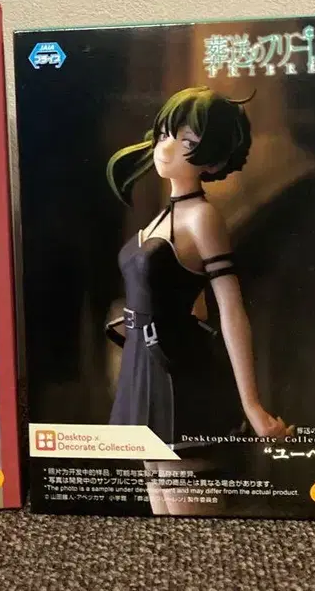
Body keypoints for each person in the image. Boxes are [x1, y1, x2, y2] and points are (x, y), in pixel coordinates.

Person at [105, 85, 289, 514]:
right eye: (164, 134)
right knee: (159, 490)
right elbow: (195, 299)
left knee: (185, 496)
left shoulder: (202, 217)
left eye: (186, 141)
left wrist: (252, 405)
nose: (166, 148)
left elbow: (231, 308)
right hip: (143, 366)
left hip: (175, 372)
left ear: (214, 159)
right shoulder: (164, 216)